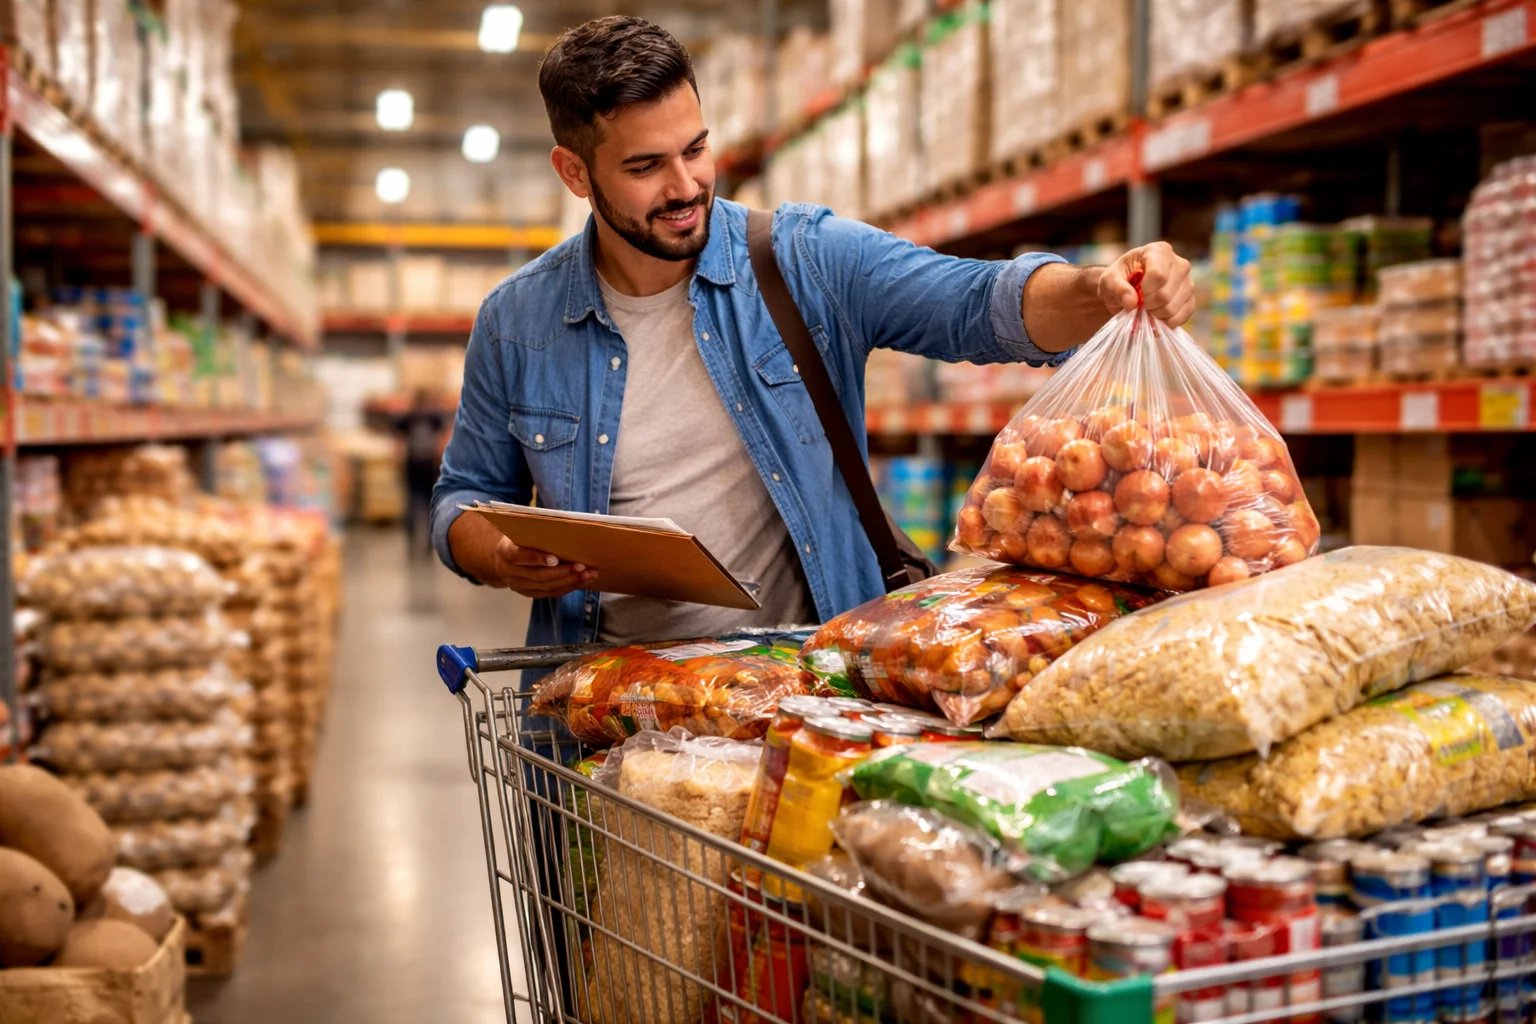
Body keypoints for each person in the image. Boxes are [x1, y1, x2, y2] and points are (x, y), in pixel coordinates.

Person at [431, 15, 1196, 647]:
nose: (687, 185)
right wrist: (501, 556)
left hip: (803, 697)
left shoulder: (800, 258)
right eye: (646, 166)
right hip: (604, 709)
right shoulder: (517, 321)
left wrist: (1097, 289)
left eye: (697, 149)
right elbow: (464, 496)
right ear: (575, 173)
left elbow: (977, 302)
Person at [393, 388, 446, 555]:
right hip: (426, 464)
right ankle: (426, 543)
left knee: (415, 503)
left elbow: (400, 441)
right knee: (425, 503)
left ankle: (416, 541)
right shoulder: (432, 418)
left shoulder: (410, 418)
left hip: (416, 463)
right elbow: (440, 441)